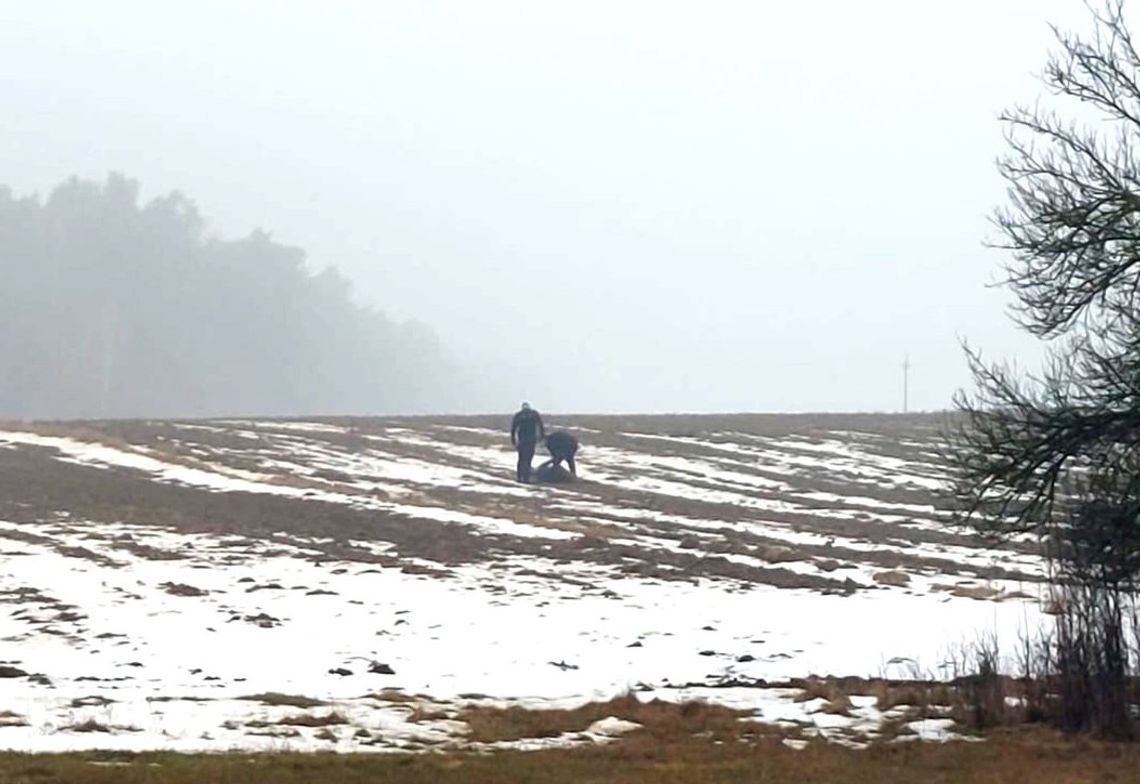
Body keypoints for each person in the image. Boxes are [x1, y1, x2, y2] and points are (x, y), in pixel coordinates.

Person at [510, 402, 545, 482]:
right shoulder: (533, 414)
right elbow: (540, 425)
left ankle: (521, 477)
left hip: (524, 440)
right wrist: (542, 436)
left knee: (522, 459)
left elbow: (513, 429)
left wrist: (514, 440)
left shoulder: (519, 415)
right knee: (526, 459)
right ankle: (524, 477)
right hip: (528, 440)